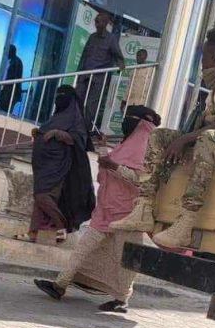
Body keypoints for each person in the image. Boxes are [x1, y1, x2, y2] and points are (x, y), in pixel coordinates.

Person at [111, 27, 215, 249]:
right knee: (160, 135)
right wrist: (179, 140)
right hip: (213, 143)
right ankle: (143, 206)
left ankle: (187, 221)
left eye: (203, 59)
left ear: (214, 57)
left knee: (208, 136)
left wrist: (184, 140)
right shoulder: (214, 91)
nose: (202, 66)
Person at [33, 105, 162, 313]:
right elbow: (107, 166)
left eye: (129, 118)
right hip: (106, 209)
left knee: (127, 258)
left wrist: (114, 166)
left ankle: (122, 299)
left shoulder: (145, 149)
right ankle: (59, 285)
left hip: (129, 214)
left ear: (140, 123)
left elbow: (142, 181)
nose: (124, 122)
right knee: (84, 248)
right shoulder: (126, 145)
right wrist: (103, 147)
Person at [27, 85, 95, 243]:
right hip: (44, 164)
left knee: (41, 196)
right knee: (39, 196)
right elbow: (47, 131)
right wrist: (39, 132)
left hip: (60, 167)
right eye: (58, 95)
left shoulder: (76, 118)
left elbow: (78, 139)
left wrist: (59, 134)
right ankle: (33, 233)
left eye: (62, 96)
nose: (59, 99)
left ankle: (61, 223)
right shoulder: (56, 116)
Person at [76, 11, 125, 137]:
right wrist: (79, 72)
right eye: (96, 21)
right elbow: (84, 56)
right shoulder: (92, 37)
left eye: (99, 21)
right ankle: (74, 124)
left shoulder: (110, 39)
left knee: (92, 105)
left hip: (98, 78)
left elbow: (118, 55)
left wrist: (120, 65)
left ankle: (84, 129)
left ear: (106, 23)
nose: (97, 24)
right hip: (85, 75)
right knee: (77, 99)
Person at [0, 44, 23, 114]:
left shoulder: (16, 62)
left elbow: (14, 78)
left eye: (6, 52)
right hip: (8, 91)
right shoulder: (12, 61)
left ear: (11, 52)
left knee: (3, 110)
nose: (6, 54)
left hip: (10, 92)